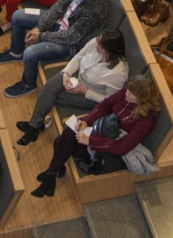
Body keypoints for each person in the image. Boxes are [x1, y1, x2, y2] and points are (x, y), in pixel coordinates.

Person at [32, 76, 160, 195]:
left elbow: (123, 146)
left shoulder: (147, 120)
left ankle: (52, 174)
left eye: (131, 93)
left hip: (111, 148)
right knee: (68, 133)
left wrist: (91, 142)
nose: (126, 93)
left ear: (141, 99)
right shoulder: (125, 93)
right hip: (103, 130)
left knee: (60, 141)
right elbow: (105, 105)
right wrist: (86, 120)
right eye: (127, 89)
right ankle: (53, 173)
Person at [0, 0, 106, 98]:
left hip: (71, 43)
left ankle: (28, 84)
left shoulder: (94, 11)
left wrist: (41, 36)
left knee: (31, 52)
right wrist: (39, 27)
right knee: (18, 16)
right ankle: (15, 52)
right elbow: (58, 7)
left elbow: (71, 37)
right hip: (59, 23)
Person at [14, 30, 127, 145]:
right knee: (49, 87)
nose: (96, 45)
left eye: (100, 45)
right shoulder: (96, 42)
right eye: (97, 41)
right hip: (77, 76)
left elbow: (109, 100)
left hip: (90, 96)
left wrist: (84, 91)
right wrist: (66, 73)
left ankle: (35, 126)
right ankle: (34, 126)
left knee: (52, 96)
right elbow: (79, 57)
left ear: (109, 50)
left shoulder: (118, 73)